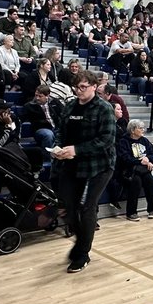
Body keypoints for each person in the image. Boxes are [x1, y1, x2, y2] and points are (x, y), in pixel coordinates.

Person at [49, 71, 116, 273]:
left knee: (88, 207)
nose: (79, 91)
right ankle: (80, 244)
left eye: (83, 87)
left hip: (100, 164)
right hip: (72, 162)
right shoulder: (70, 105)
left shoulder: (105, 109)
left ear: (94, 87)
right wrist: (58, 147)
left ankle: (82, 253)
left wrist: (77, 149)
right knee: (67, 205)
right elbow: (61, 130)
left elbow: (106, 140)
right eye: (76, 87)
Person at [116, 119, 153, 221]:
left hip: (143, 169)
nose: (143, 130)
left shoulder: (145, 141)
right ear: (133, 130)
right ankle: (131, 212)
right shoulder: (123, 142)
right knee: (136, 182)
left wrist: (150, 160)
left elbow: (152, 154)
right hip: (129, 171)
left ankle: (152, 209)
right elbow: (125, 158)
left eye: (143, 128)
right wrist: (140, 161)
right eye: (140, 128)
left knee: (150, 181)